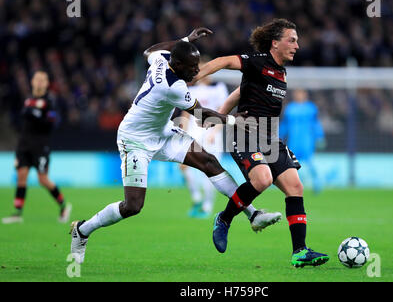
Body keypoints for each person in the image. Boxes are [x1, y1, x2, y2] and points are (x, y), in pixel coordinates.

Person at [69, 28, 282, 264]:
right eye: (191, 67)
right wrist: (235, 120)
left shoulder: (161, 59)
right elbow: (202, 116)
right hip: (135, 140)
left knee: (209, 162)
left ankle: (252, 214)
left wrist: (185, 40)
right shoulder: (173, 87)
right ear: (178, 64)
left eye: (197, 65)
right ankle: (83, 230)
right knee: (133, 205)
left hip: (162, 132)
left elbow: (148, 51)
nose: (196, 71)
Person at [194, 19, 329, 267]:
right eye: (292, 40)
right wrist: (197, 75)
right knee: (262, 179)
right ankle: (224, 219)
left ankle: (300, 251)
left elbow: (241, 92)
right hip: (244, 133)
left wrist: (221, 112)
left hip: (269, 137)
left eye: (297, 40)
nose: (297, 45)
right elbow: (224, 61)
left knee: (295, 187)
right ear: (275, 43)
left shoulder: (281, 72)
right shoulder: (257, 61)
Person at [2, 71, 71, 224]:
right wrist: (18, 150)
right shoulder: (28, 100)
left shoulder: (49, 101)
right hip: (24, 145)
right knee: (21, 176)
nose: (39, 82)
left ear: (46, 84)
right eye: (37, 79)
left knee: (43, 180)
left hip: (40, 146)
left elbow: (53, 122)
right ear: (32, 82)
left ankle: (63, 206)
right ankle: (17, 213)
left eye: (42, 80)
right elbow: (24, 126)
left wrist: (38, 115)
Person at [178, 62, 229, 218]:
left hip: (211, 135)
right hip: (194, 133)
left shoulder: (218, 90)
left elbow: (223, 112)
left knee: (210, 171)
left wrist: (215, 132)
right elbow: (186, 115)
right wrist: (181, 133)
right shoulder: (190, 90)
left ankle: (207, 207)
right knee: (183, 166)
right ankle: (197, 198)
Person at [280, 89, 326, 194]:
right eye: (297, 93)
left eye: (301, 93)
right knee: (293, 163)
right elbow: (285, 124)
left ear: (305, 95)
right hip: (294, 140)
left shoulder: (311, 108)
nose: (299, 95)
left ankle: (317, 182)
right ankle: (295, 185)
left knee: (309, 162)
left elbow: (316, 123)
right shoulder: (290, 108)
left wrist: (320, 136)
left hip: (306, 140)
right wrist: (279, 135)